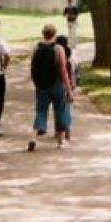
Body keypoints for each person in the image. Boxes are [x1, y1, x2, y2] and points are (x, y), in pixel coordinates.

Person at [28, 23, 73, 151]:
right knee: (60, 110)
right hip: (56, 84)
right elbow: (63, 70)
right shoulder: (59, 49)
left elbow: (32, 67)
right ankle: (60, 142)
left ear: (43, 34)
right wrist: (69, 89)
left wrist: (35, 82)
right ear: (54, 34)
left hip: (41, 85)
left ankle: (33, 137)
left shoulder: (36, 47)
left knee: (41, 111)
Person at [55, 34, 76, 140]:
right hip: (68, 83)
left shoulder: (55, 53)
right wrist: (73, 84)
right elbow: (73, 70)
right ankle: (68, 131)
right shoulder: (70, 55)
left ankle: (57, 131)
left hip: (57, 83)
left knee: (58, 108)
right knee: (67, 109)